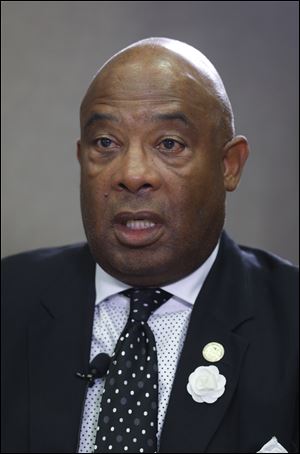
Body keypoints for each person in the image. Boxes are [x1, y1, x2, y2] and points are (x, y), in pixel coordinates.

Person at [1, 37, 298, 454]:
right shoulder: (10, 296)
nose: (133, 173)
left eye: (169, 144)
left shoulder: (290, 314)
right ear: (81, 157)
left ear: (229, 165)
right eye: (106, 143)